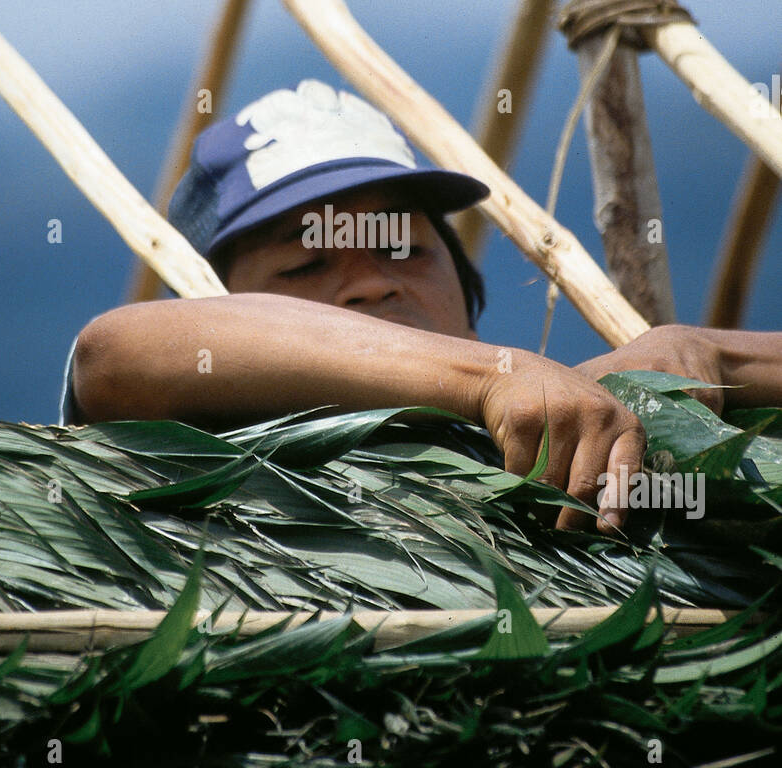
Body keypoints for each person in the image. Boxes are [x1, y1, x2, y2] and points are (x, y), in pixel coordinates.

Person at [61, 79, 782, 535]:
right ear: (215, 312)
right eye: (306, 263)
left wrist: (708, 354)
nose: (370, 284)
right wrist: (488, 377)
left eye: (403, 250)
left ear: (467, 288)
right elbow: (113, 356)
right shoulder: (179, 452)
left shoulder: (565, 423)